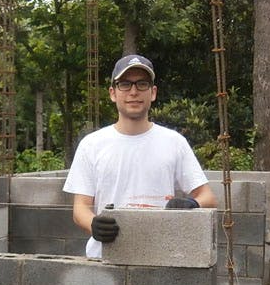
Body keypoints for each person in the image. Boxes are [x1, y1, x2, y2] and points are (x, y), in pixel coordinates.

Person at [63, 54, 217, 258]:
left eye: (142, 84)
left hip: (160, 258)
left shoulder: (174, 142)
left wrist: (192, 204)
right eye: (125, 84)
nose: (133, 92)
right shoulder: (92, 145)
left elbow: (208, 197)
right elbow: (80, 208)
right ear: (112, 93)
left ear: (153, 93)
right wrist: (94, 225)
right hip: (105, 259)